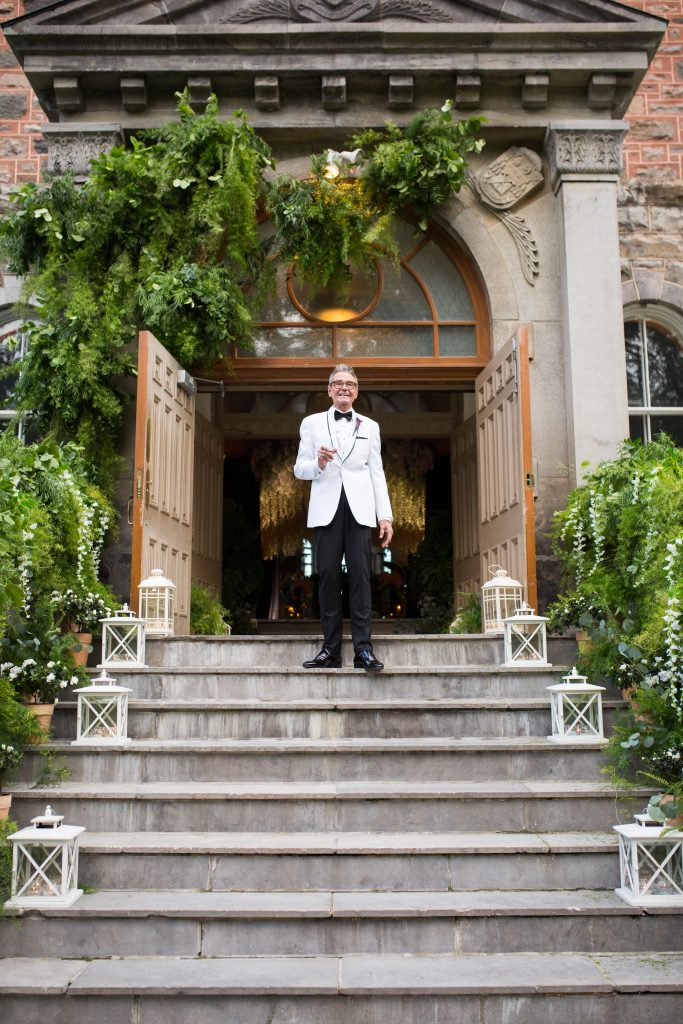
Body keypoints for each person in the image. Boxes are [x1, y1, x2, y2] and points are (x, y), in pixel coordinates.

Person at [294, 364, 393, 671]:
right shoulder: (311, 423)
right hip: (327, 509)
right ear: (329, 390)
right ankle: (330, 650)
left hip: (361, 509)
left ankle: (363, 650)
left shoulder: (370, 426)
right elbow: (300, 469)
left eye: (350, 383)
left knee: (362, 577)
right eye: (338, 383)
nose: (344, 388)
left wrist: (385, 516)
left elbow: (377, 473)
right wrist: (319, 463)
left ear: (357, 390)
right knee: (327, 577)